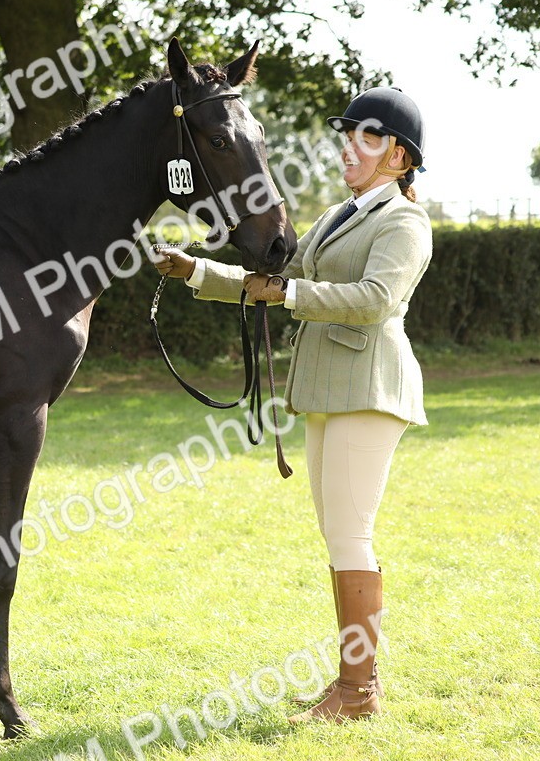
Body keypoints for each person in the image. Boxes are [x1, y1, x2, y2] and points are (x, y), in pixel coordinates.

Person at [155, 87, 432, 723]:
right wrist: (194, 271)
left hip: (370, 386)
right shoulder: (341, 215)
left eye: (367, 137)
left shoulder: (404, 223)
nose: (349, 147)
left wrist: (287, 296)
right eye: (349, 134)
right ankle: (351, 684)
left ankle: (359, 692)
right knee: (339, 537)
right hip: (327, 390)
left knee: (351, 534)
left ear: (399, 158)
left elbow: (372, 299)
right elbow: (277, 284)